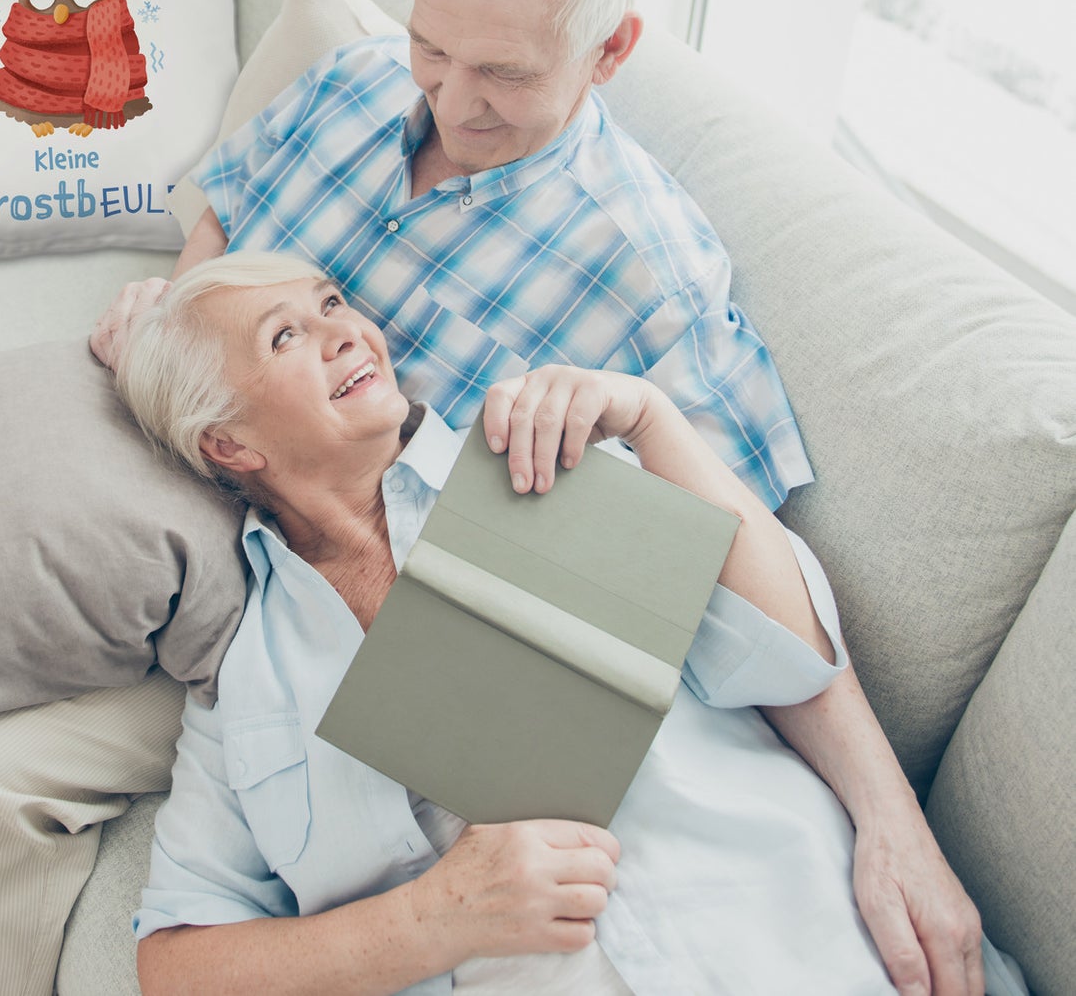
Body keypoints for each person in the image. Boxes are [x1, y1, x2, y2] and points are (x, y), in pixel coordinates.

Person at [0, 0, 979, 996]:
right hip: (211, 439)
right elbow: (224, 216)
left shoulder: (647, 275)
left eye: (502, 71)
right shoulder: (356, 83)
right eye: (435, 46)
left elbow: (734, 572)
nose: (449, 96)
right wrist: (176, 315)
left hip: (322, 566)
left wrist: (891, 818)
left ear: (607, 52)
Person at [118, 252, 1015, 996]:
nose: (346, 330)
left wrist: (652, 419)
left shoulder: (540, 458)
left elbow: (789, 657)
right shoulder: (245, 683)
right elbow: (176, 963)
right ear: (228, 444)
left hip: (805, 942)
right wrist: (434, 918)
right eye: (286, 335)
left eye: (331, 303)